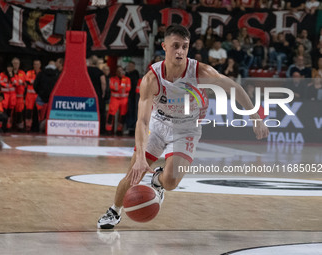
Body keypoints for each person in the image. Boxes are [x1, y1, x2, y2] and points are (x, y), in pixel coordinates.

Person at [97, 24, 269, 229]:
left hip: (187, 128)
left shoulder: (201, 71)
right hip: (158, 124)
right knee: (134, 173)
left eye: (184, 47)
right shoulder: (152, 78)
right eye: (175, 46)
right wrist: (141, 158)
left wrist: (254, 117)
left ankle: (158, 182)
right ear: (164, 47)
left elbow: (235, 88)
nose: (180, 51)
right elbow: (142, 121)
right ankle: (114, 211)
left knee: (170, 182)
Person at [105, 66, 131, 136]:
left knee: (123, 115)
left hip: (124, 100)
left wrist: (118, 88)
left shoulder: (127, 79)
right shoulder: (112, 79)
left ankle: (119, 130)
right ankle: (108, 130)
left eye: (121, 70)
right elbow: (112, 87)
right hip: (115, 99)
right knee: (111, 113)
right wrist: (121, 88)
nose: (120, 72)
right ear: (116, 72)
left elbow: (128, 88)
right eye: (118, 71)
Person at [87, 55, 106, 135]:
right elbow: (103, 82)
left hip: (87, 94)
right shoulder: (99, 72)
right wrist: (103, 92)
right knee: (101, 112)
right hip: (97, 94)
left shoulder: (86, 70)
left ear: (90, 61)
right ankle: (101, 130)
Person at [25, 59, 41, 132]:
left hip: (38, 95)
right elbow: (27, 80)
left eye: (37, 64)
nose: (36, 66)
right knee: (29, 111)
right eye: (35, 64)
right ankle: (28, 127)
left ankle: (38, 127)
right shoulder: (29, 72)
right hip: (30, 96)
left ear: (40, 65)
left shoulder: (41, 73)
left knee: (39, 112)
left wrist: (33, 82)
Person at [0, 64, 16, 130]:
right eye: (8, 67)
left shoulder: (14, 74)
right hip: (5, 94)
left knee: (10, 109)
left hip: (12, 95)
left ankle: (8, 125)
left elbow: (16, 83)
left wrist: (11, 76)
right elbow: (1, 82)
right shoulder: (2, 74)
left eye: (11, 67)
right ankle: (2, 125)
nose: (9, 69)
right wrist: (8, 85)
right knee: (4, 108)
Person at [125, 61, 140, 136]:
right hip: (128, 95)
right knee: (129, 112)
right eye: (129, 66)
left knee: (134, 112)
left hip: (135, 96)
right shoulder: (126, 74)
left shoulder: (136, 74)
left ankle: (133, 127)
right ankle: (129, 127)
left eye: (131, 66)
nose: (129, 67)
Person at [12, 57, 27, 131]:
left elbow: (25, 83)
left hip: (20, 97)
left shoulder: (22, 73)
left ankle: (20, 127)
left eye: (17, 63)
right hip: (11, 96)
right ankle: (10, 126)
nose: (16, 65)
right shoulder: (9, 72)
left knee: (20, 112)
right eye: (14, 63)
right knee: (11, 112)